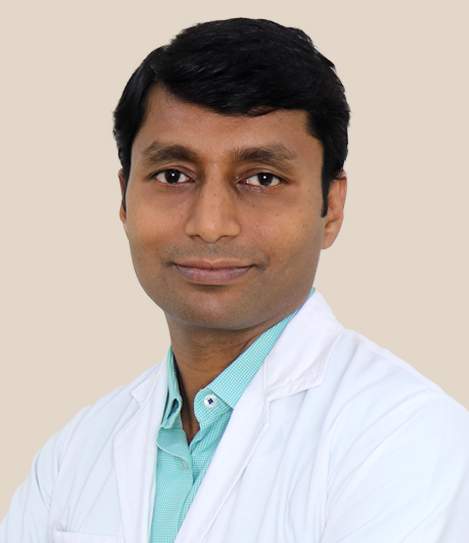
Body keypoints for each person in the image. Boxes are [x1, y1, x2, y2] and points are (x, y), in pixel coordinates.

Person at [1, 17, 469, 543]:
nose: (210, 224)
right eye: (173, 175)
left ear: (331, 208)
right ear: (125, 199)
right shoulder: (72, 455)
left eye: (262, 179)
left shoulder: (407, 438)